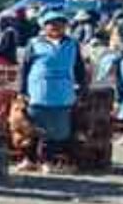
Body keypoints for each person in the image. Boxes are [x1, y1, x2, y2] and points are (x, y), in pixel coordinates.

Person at [16, 10, 89, 173]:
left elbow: (79, 68)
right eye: (52, 24)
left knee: (57, 131)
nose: (56, 27)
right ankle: (30, 160)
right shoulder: (34, 43)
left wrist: (82, 88)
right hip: (39, 92)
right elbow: (24, 68)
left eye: (60, 23)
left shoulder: (72, 44)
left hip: (62, 94)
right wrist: (21, 90)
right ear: (44, 26)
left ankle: (47, 161)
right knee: (33, 128)